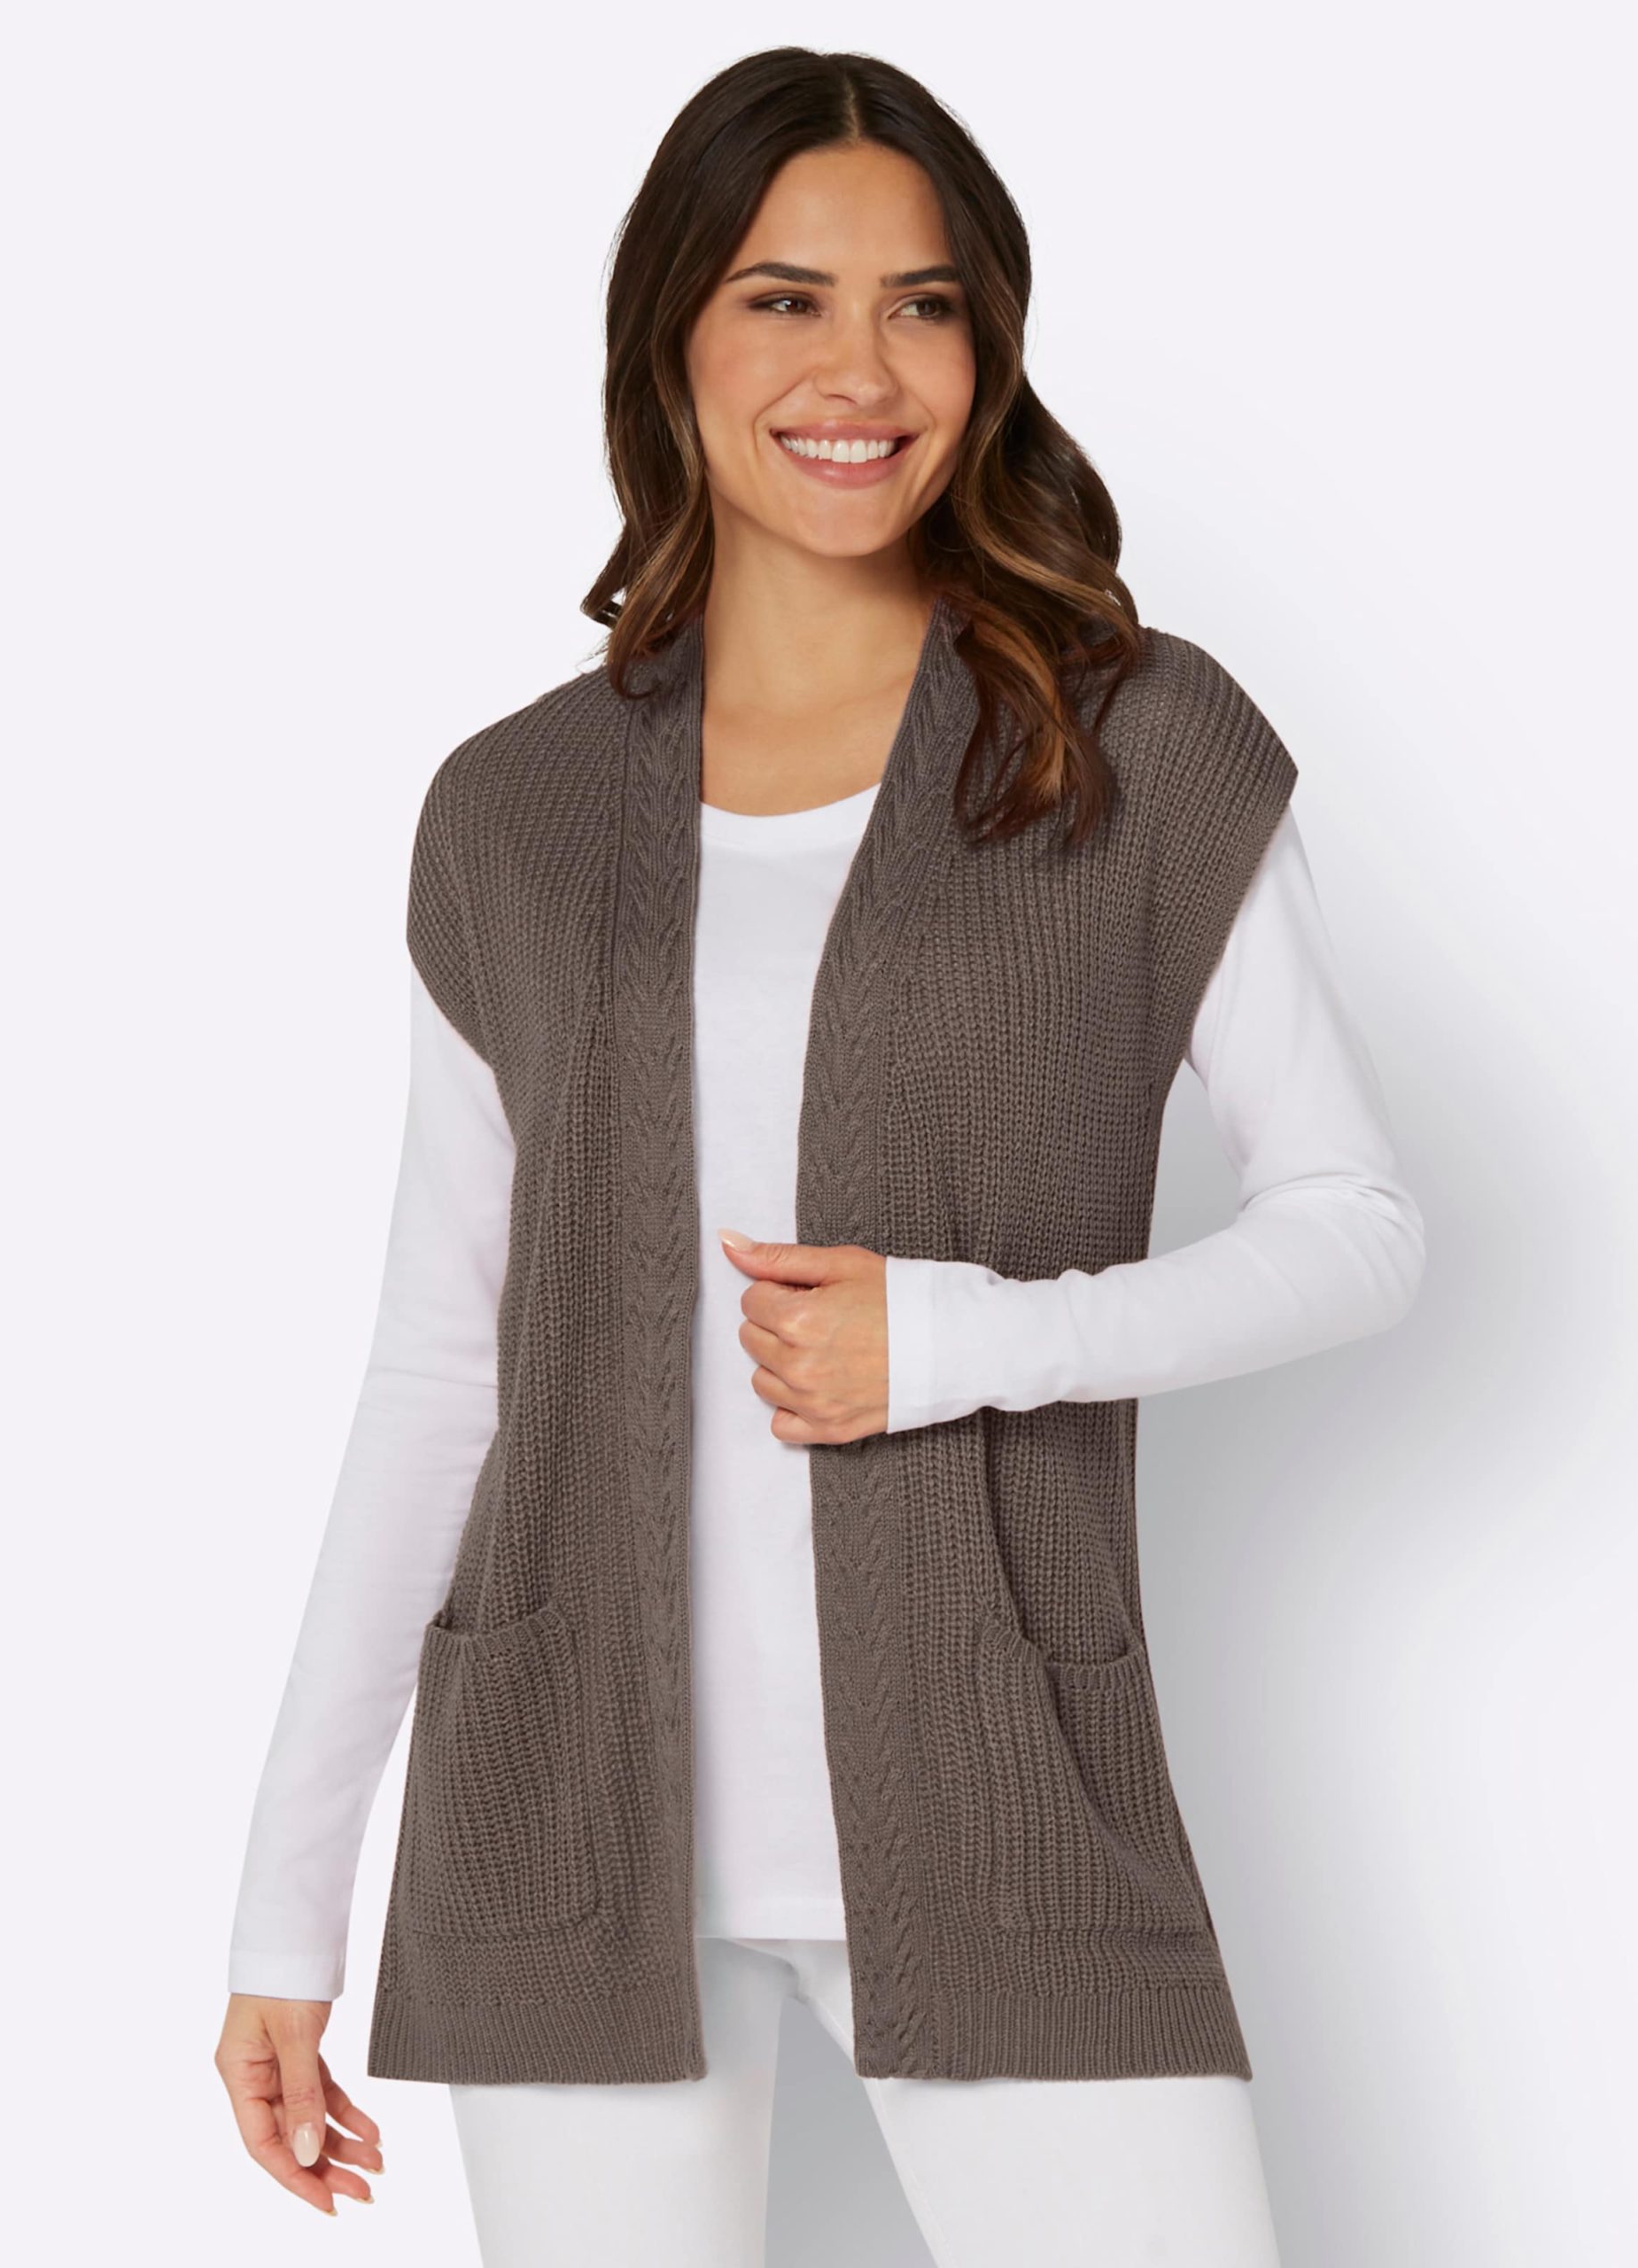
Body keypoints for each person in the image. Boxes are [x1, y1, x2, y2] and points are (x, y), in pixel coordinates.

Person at [215, 47, 1425, 2267]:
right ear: (670, 334)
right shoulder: (512, 811)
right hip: (566, 1833)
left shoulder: (1126, 739)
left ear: (987, 345)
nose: (860, 370)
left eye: (923, 304)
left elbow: (1357, 1229)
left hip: (1011, 1800)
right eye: (784, 298)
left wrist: (955, 1339)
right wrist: (283, 1909)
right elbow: (440, 1369)